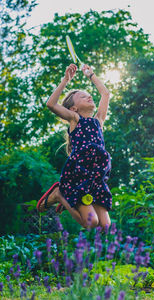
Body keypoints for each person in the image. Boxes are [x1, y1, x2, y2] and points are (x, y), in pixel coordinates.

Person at [37, 64, 112, 230]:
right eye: (83, 97)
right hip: (79, 174)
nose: (89, 97)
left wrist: (91, 75)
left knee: (106, 226)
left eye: (89, 95)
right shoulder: (75, 119)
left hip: (97, 176)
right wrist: (66, 80)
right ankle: (59, 195)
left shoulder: (98, 121)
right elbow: (51, 104)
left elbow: (105, 94)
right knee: (91, 222)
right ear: (73, 108)